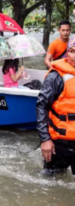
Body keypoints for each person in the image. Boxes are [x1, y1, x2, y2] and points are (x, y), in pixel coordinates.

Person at [37, 37, 75, 175]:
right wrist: (45, 139)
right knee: (51, 182)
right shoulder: (55, 77)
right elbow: (41, 107)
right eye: (72, 51)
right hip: (60, 142)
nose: (74, 56)